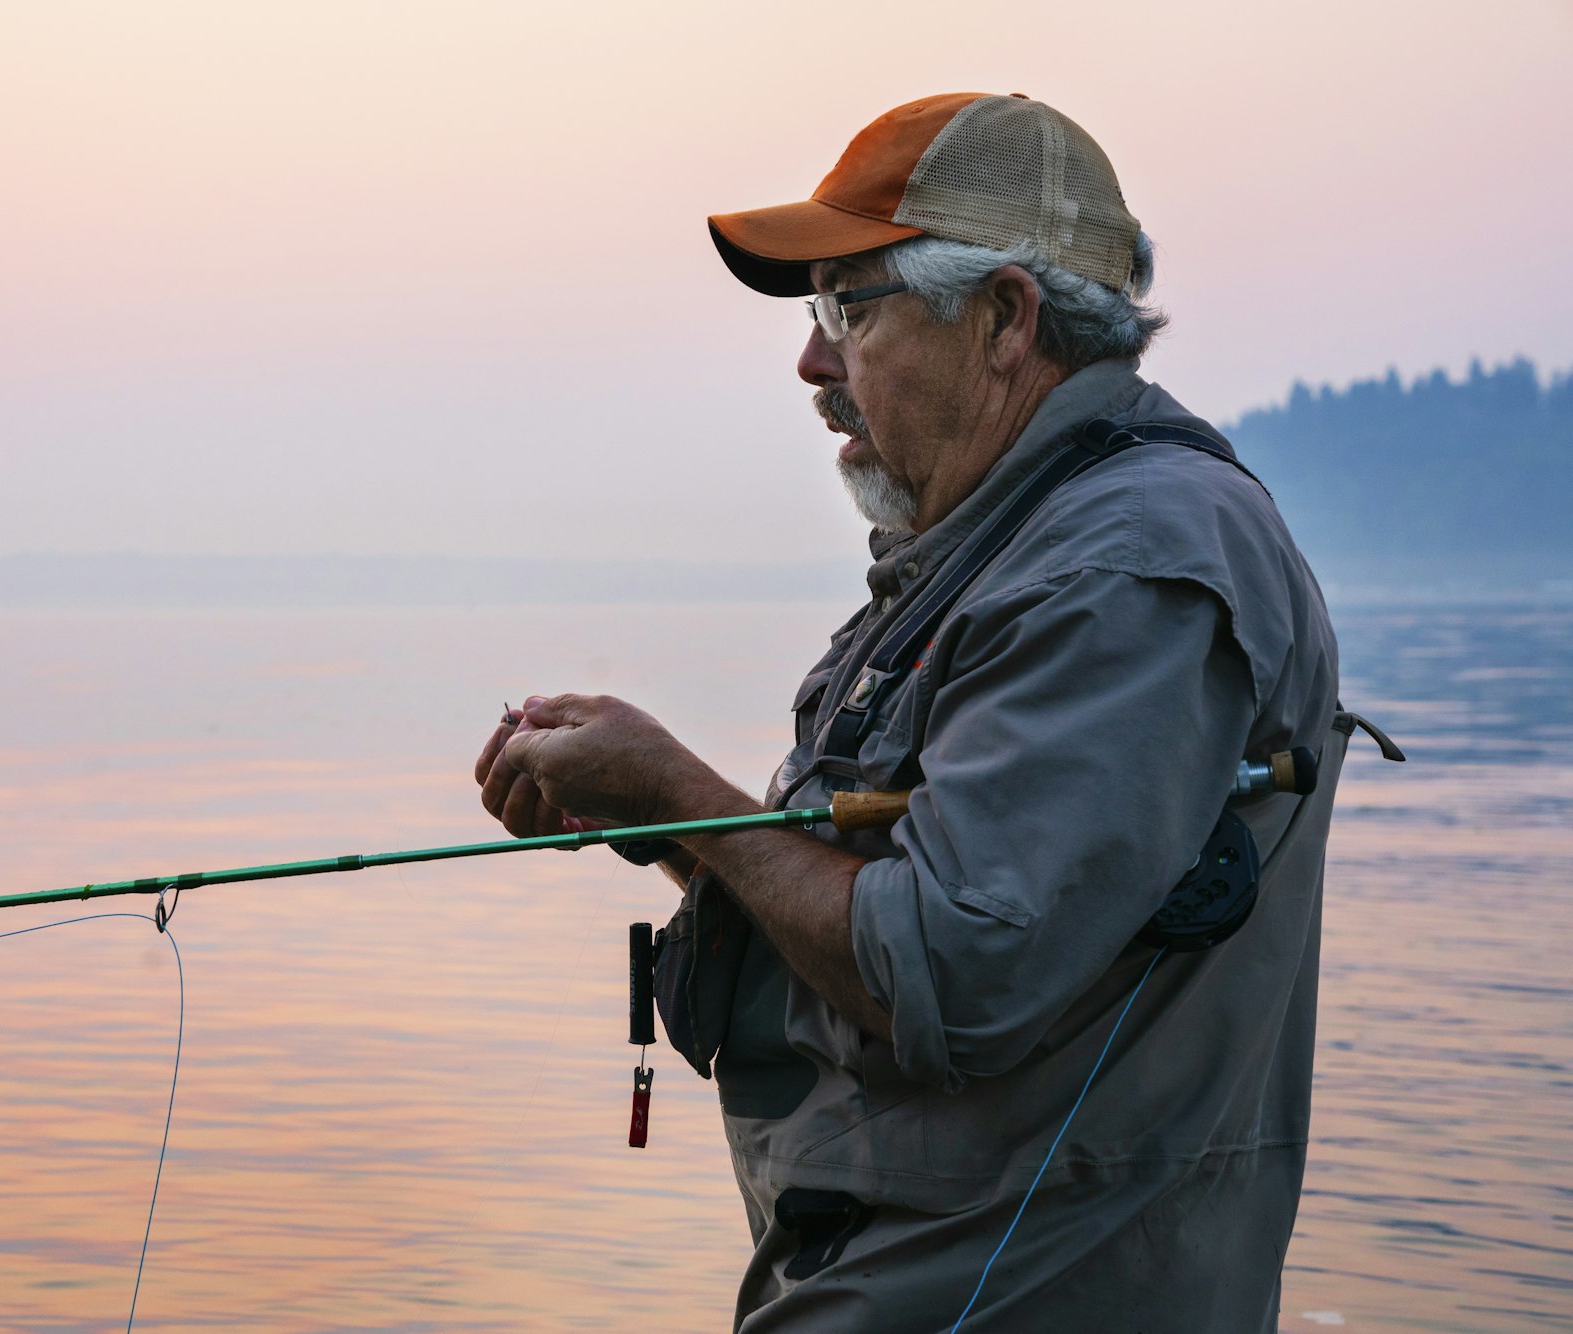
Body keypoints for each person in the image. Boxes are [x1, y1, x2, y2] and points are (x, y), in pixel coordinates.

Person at [475, 92, 1349, 1333]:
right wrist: (651, 821)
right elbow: (876, 899)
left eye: (849, 305)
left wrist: (685, 794)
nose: (810, 361)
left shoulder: (1125, 564)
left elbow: (952, 962)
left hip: (1002, 1290)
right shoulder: (1002, 548)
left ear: (1002, 319)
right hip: (892, 1272)